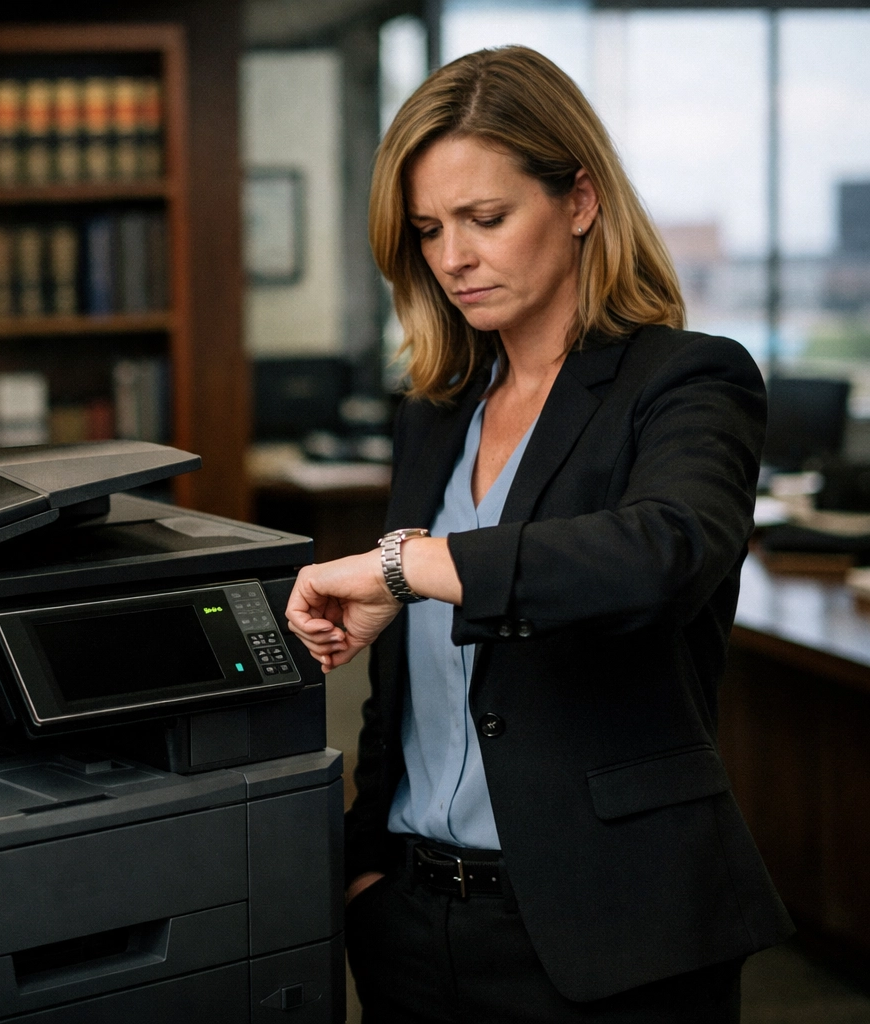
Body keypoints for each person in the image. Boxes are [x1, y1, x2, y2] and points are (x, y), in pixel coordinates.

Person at [284, 46, 792, 1023]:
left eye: (486, 218)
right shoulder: (437, 410)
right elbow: (405, 695)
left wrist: (410, 564)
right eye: (429, 229)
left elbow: (665, 555)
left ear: (580, 200)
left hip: (611, 936)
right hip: (415, 926)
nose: (453, 257)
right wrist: (368, 876)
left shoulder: (688, 380)